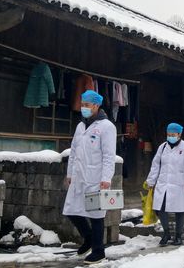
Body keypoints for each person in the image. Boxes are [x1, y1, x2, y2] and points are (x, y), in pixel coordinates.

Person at [63, 90, 116, 265]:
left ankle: (98, 251)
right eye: (82, 104)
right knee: (71, 211)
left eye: (86, 105)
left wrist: (106, 178)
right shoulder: (80, 126)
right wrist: (70, 173)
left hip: (95, 177)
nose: (83, 107)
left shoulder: (107, 127)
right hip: (78, 176)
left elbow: (109, 155)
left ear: (96, 105)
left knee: (96, 215)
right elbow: (73, 152)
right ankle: (88, 238)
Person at [146, 123, 184, 246]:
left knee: (180, 211)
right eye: (168, 135)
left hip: (180, 183)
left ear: (179, 134)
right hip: (163, 184)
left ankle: (178, 236)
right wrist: (151, 181)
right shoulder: (162, 147)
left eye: (173, 135)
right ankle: (166, 233)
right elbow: (155, 164)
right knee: (160, 208)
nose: (170, 137)